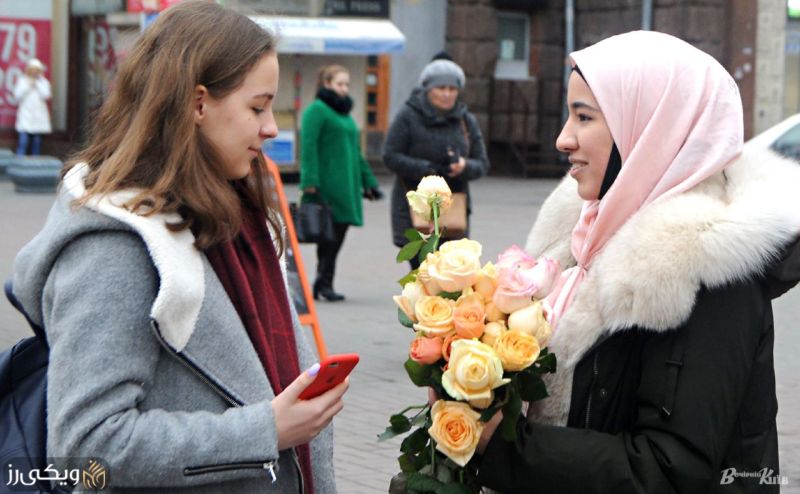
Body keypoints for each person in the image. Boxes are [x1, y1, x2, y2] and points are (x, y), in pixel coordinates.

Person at [12, 3, 345, 492]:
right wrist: (265, 429)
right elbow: (88, 448)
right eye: (257, 107)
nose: (272, 127)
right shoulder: (116, 244)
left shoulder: (236, 217)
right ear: (197, 104)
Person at [474, 31, 800, 492]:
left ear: (651, 129)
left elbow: (669, 469)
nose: (563, 139)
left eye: (584, 117)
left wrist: (504, 448)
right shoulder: (586, 233)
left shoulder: (704, 267)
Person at [383, 56, 489, 269]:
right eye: (441, 87)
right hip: (414, 207)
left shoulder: (465, 120)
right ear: (427, 89)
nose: (447, 93)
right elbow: (390, 155)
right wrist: (427, 170)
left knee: (450, 274)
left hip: (454, 209)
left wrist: (464, 166)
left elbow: (482, 163)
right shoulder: (408, 115)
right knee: (421, 272)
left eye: (452, 88)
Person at [299, 64, 382, 302]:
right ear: (326, 84)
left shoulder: (343, 114)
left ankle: (323, 283)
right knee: (329, 236)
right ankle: (323, 283)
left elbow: (356, 152)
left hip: (346, 184)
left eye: (346, 84)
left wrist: (369, 181)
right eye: (339, 84)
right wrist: (310, 180)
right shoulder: (317, 109)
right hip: (327, 184)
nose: (344, 89)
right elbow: (309, 146)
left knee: (336, 236)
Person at [13, 58, 51, 156]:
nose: (34, 72)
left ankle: (35, 164)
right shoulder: (22, 81)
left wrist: (37, 84)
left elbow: (46, 95)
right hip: (25, 116)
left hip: (38, 117)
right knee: (23, 142)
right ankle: (19, 163)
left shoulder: (44, 82)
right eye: (32, 70)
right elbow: (17, 96)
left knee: (36, 143)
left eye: (37, 70)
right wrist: (29, 85)